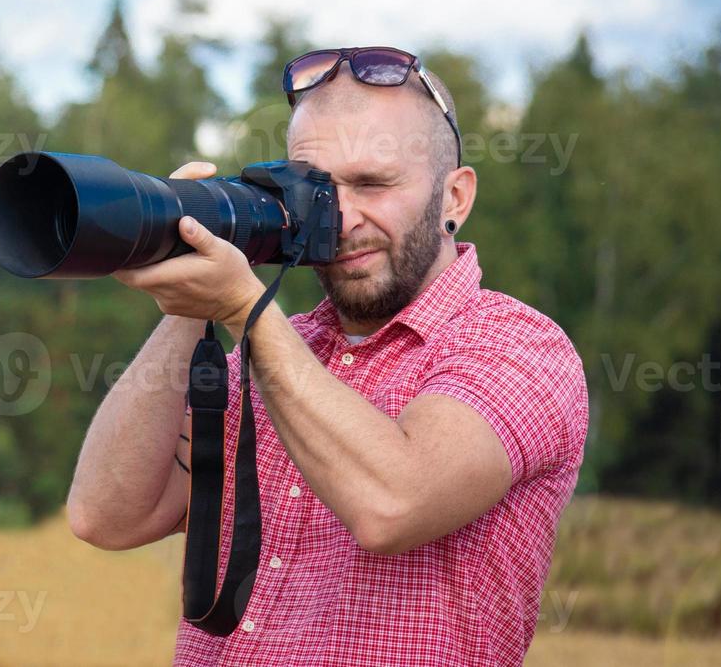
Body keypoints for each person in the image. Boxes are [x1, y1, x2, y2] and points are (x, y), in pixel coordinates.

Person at [65, 46, 589, 666]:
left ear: (454, 198)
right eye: (316, 187)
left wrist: (242, 307)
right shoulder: (274, 346)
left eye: (373, 183)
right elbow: (106, 515)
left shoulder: (518, 345)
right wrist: (190, 279)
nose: (340, 217)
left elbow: (392, 503)